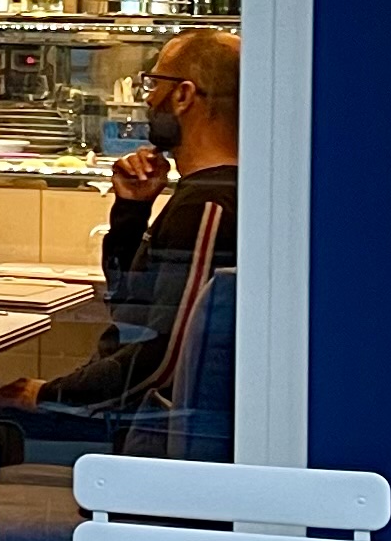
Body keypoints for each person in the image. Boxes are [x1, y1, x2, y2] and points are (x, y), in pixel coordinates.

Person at [22, 26, 239, 423]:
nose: (148, 99)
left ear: (183, 95)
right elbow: (129, 308)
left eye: (154, 84)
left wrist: (48, 396)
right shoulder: (198, 196)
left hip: (140, 427)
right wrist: (132, 210)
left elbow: (165, 360)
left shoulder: (208, 207)